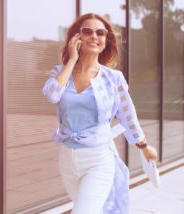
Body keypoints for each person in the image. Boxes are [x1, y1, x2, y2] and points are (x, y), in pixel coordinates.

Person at [42, 13, 157, 214]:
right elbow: (51, 95)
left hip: (98, 159)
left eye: (100, 32)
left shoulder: (113, 78)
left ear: (105, 40)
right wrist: (72, 61)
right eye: (87, 31)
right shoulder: (60, 72)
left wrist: (144, 146)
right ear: (76, 38)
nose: (94, 36)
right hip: (67, 160)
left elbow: (127, 114)